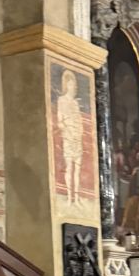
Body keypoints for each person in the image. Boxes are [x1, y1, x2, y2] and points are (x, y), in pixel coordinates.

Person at [56, 70, 84, 205]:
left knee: (78, 169)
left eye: (74, 85)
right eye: (70, 85)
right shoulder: (61, 100)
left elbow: (79, 119)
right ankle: (69, 197)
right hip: (68, 136)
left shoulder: (75, 102)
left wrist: (79, 131)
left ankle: (77, 198)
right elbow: (59, 120)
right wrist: (66, 128)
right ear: (66, 85)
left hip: (77, 138)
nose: (73, 87)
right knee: (69, 168)